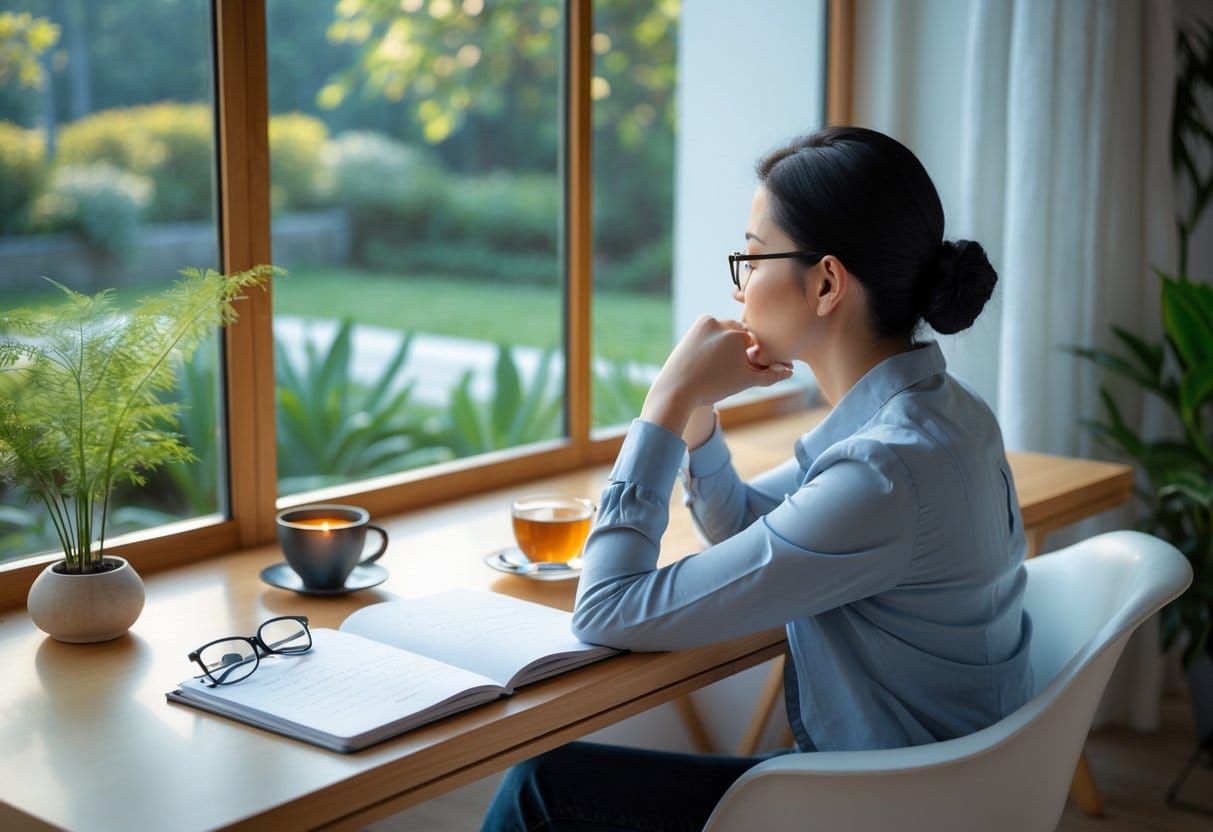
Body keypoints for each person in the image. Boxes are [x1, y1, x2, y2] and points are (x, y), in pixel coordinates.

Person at [481, 126, 1034, 832]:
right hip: (959, 786)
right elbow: (753, 525)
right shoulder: (944, 414)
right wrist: (700, 419)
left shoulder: (881, 474)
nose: (737, 280)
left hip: (894, 807)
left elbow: (605, 610)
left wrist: (663, 404)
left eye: (750, 253)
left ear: (827, 282)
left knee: (543, 788)